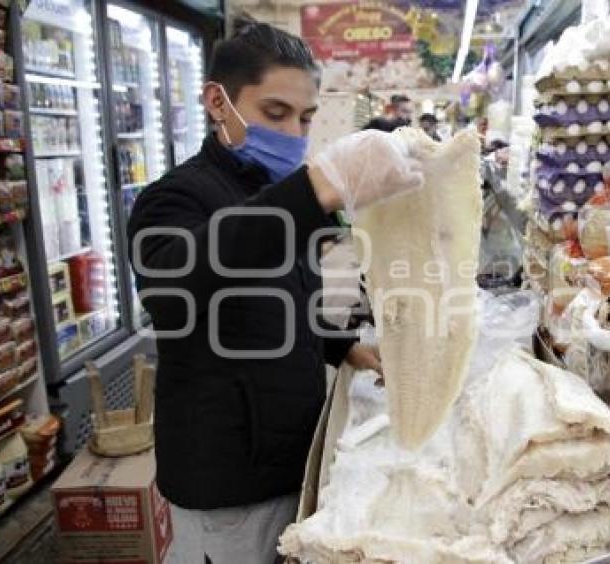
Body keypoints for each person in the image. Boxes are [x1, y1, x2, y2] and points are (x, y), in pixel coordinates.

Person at [127, 20, 424, 564]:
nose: (292, 133)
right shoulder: (171, 200)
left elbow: (316, 289)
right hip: (228, 482)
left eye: (306, 118)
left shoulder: (289, 195)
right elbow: (175, 289)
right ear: (218, 101)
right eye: (275, 113)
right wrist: (312, 189)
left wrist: (343, 345)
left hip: (296, 451)